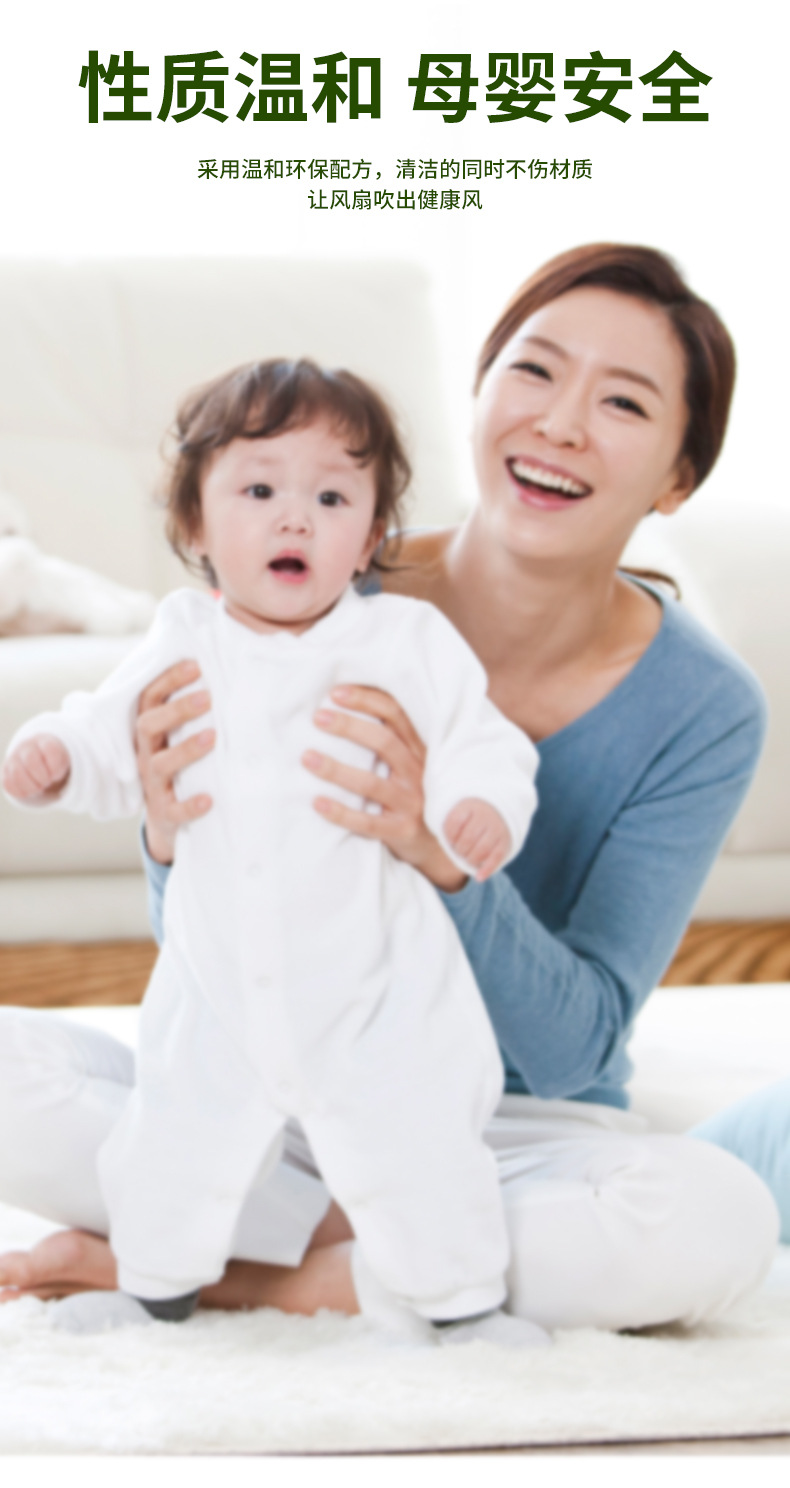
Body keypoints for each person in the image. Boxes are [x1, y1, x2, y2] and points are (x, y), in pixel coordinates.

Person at [0, 243, 780, 1334]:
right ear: (479, 393)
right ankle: (370, 1256)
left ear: (678, 478)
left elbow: (574, 1051)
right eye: (535, 370)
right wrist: (166, 835)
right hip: (264, 1085)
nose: (560, 423)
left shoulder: (699, 703)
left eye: (623, 402)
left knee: (710, 1224)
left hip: (503, 1125)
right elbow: (223, 944)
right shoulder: (307, 564)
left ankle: (220, 1271)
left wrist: (437, 855)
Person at [1, 359, 544, 1345]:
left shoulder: (404, 642)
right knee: (173, 1143)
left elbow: (484, 743)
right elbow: (108, 732)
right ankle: (151, 1286)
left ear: (370, 538)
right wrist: (58, 757)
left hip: (373, 993)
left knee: (418, 1145)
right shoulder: (181, 637)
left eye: (332, 498)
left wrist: (478, 807)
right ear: (197, 525)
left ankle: (462, 1306)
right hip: (219, 988)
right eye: (258, 491)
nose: (295, 518)